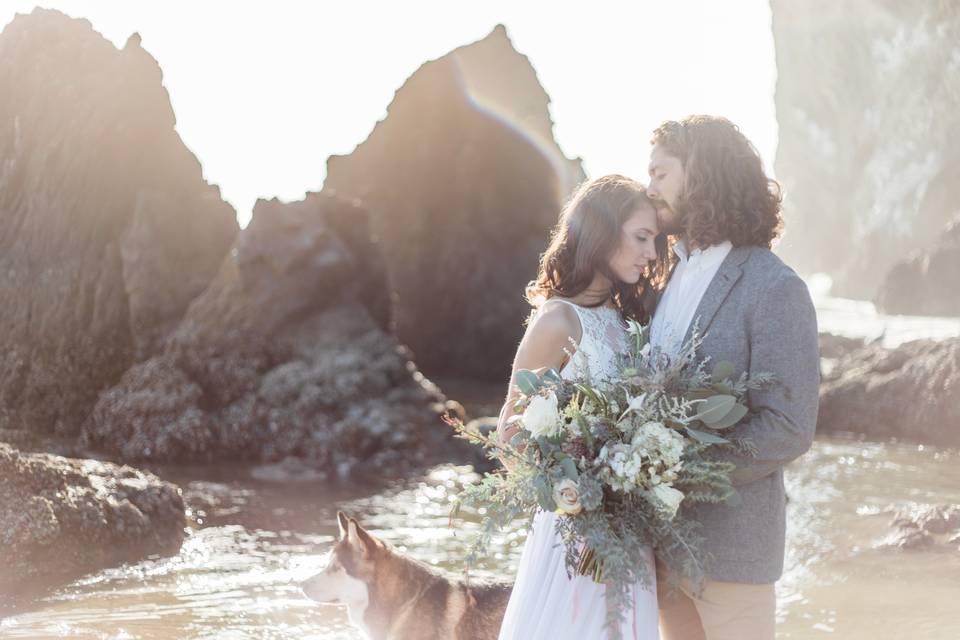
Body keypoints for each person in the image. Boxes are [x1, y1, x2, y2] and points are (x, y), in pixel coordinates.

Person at [646, 115, 820, 640]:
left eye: (660, 174)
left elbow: (788, 425)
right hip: (658, 546)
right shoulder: (662, 276)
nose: (648, 188)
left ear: (702, 175)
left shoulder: (775, 286)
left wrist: (679, 472)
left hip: (734, 553)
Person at [496, 174, 670, 640]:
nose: (651, 254)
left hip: (629, 533)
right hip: (574, 535)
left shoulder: (626, 318)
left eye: (653, 240)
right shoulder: (558, 320)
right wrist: (575, 489)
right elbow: (510, 433)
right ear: (601, 232)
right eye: (640, 237)